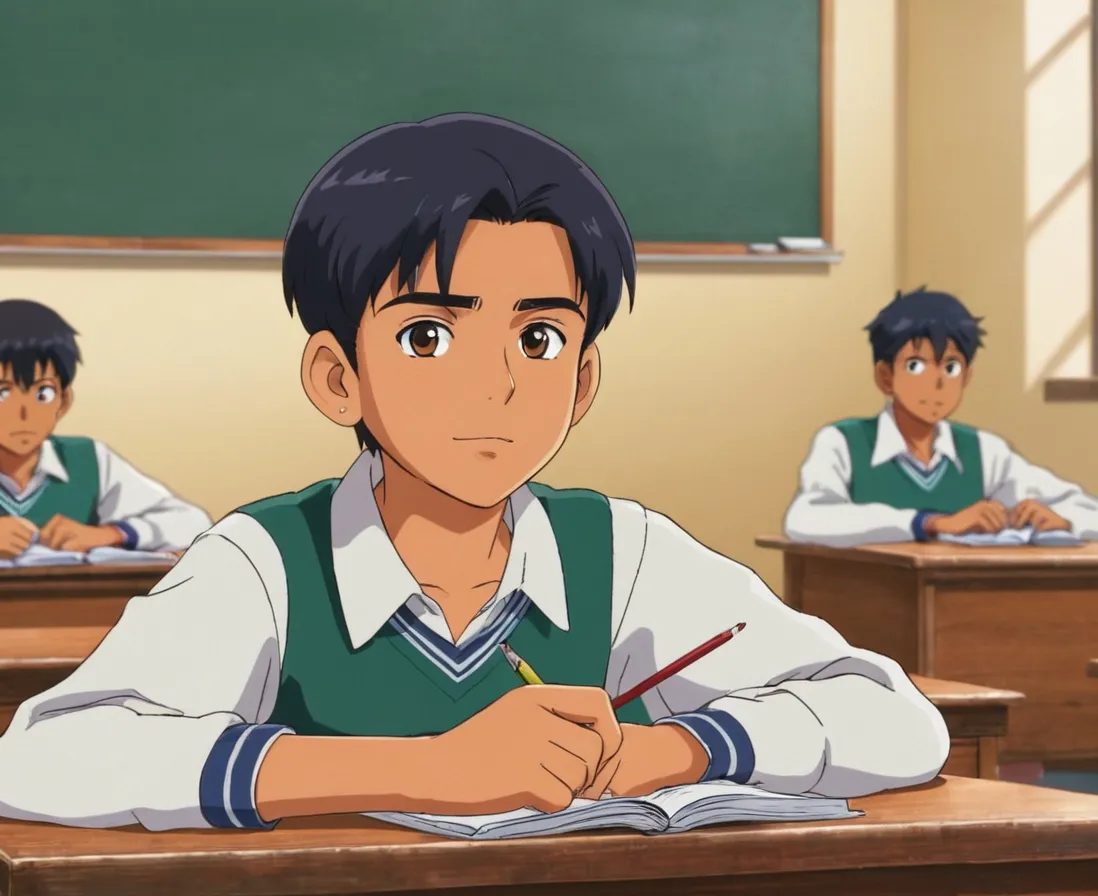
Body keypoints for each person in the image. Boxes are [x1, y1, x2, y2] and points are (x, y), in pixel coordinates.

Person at [0, 114, 948, 832]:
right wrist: (424, 769)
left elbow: (898, 721)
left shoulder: (621, 550)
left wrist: (680, 746)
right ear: (339, 378)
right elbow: (42, 759)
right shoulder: (265, 562)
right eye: (427, 335)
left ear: (582, 382)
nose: (493, 386)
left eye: (537, 339)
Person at [784, 288, 1098, 547]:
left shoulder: (984, 451)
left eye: (951, 367)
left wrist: (1061, 520)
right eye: (916, 365)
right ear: (885, 377)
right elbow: (805, 519)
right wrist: (928, 523)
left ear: (967, 377)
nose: (937, 382)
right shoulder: (842, 443)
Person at [0, 299, 210, 556]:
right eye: (3, 394)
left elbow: (195, 523)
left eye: (43, 393)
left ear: (63, 402)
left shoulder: (87, 459)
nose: (24, 414)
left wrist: (110, 534)